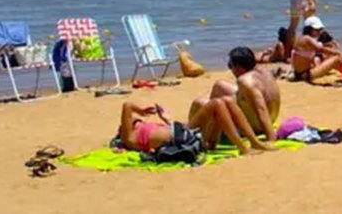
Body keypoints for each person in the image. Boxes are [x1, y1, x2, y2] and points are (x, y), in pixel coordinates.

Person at [119, 98, 272, 156]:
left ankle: (254, 141)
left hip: (187, 135)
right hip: (186, 139)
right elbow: (127, 105)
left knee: (227, 100)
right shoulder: (130, 138)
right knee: (216, 103)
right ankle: (242, 148)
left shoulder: (148, 129)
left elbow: (173, 130)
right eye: (134, 121)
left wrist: (167, 119)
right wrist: (141, 111)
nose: (137, 121)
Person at [197, 46, 281, 142]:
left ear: (239, 68)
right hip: (271, 118)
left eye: (230, 66)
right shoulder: (264, 71)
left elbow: (260, 108)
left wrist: (270, 137)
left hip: (256, 127)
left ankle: (211, 127)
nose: (231, 69)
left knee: (200, 103)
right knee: (219, 86)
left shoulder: (245, 81)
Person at [290, 16, 342, 82]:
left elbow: (309, 56)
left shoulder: (304, 38)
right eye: (317, 30)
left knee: (335, 59)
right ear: (308, 29)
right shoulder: (306, 39)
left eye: (320, 29)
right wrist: (339, 53)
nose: (319, 32)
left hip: (303, 73)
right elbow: (320, 49)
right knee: (336, 58)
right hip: (304, 75)